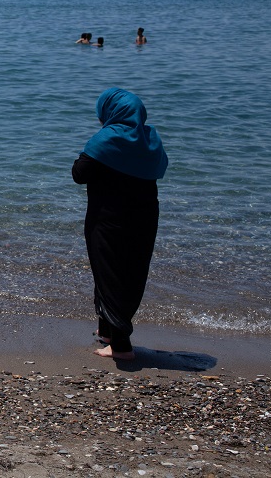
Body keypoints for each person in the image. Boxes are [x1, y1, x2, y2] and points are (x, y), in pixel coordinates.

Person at [72, 88, 168, 360]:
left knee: (109, 273)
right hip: (145, 216)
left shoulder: (108, 137)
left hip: (108, 218)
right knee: (130, 273)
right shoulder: (151, 139)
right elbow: (160, 168)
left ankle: (122, 346)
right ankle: (107, 332)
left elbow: (79, 174)